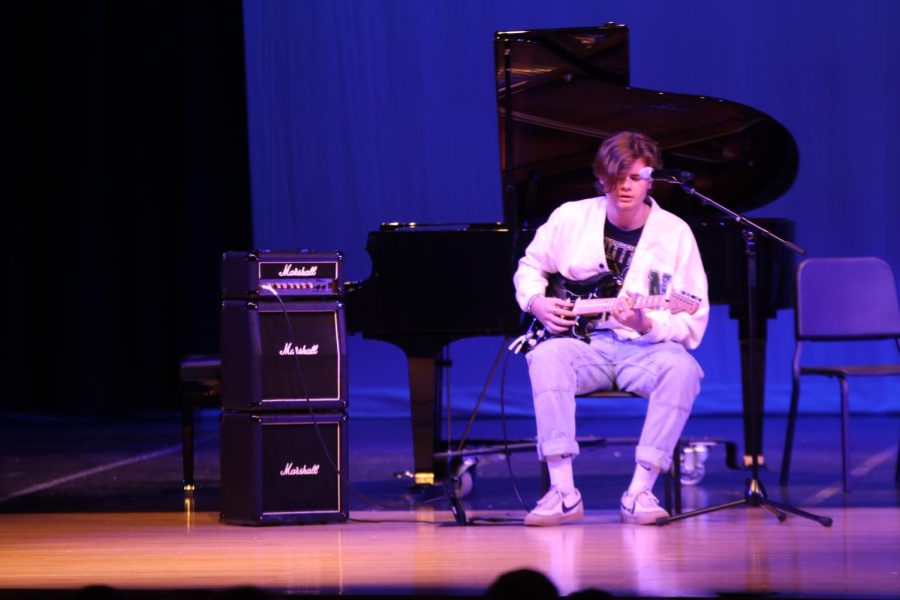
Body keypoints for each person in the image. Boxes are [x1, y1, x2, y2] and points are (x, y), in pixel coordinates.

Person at [513, 131, 709, 526]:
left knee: (683, 369)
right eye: (615, 177)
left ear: (651, 179)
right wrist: (536, 301)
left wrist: (646, 322)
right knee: (546, 356)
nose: (625, 186)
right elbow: (530, 266)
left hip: (644, 349)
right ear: (601, 177)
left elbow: (692, 320)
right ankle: (563, 492)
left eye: (636, 177)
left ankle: (641, 491)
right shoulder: (571, 217)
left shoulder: (675, 234)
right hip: (582, 347)